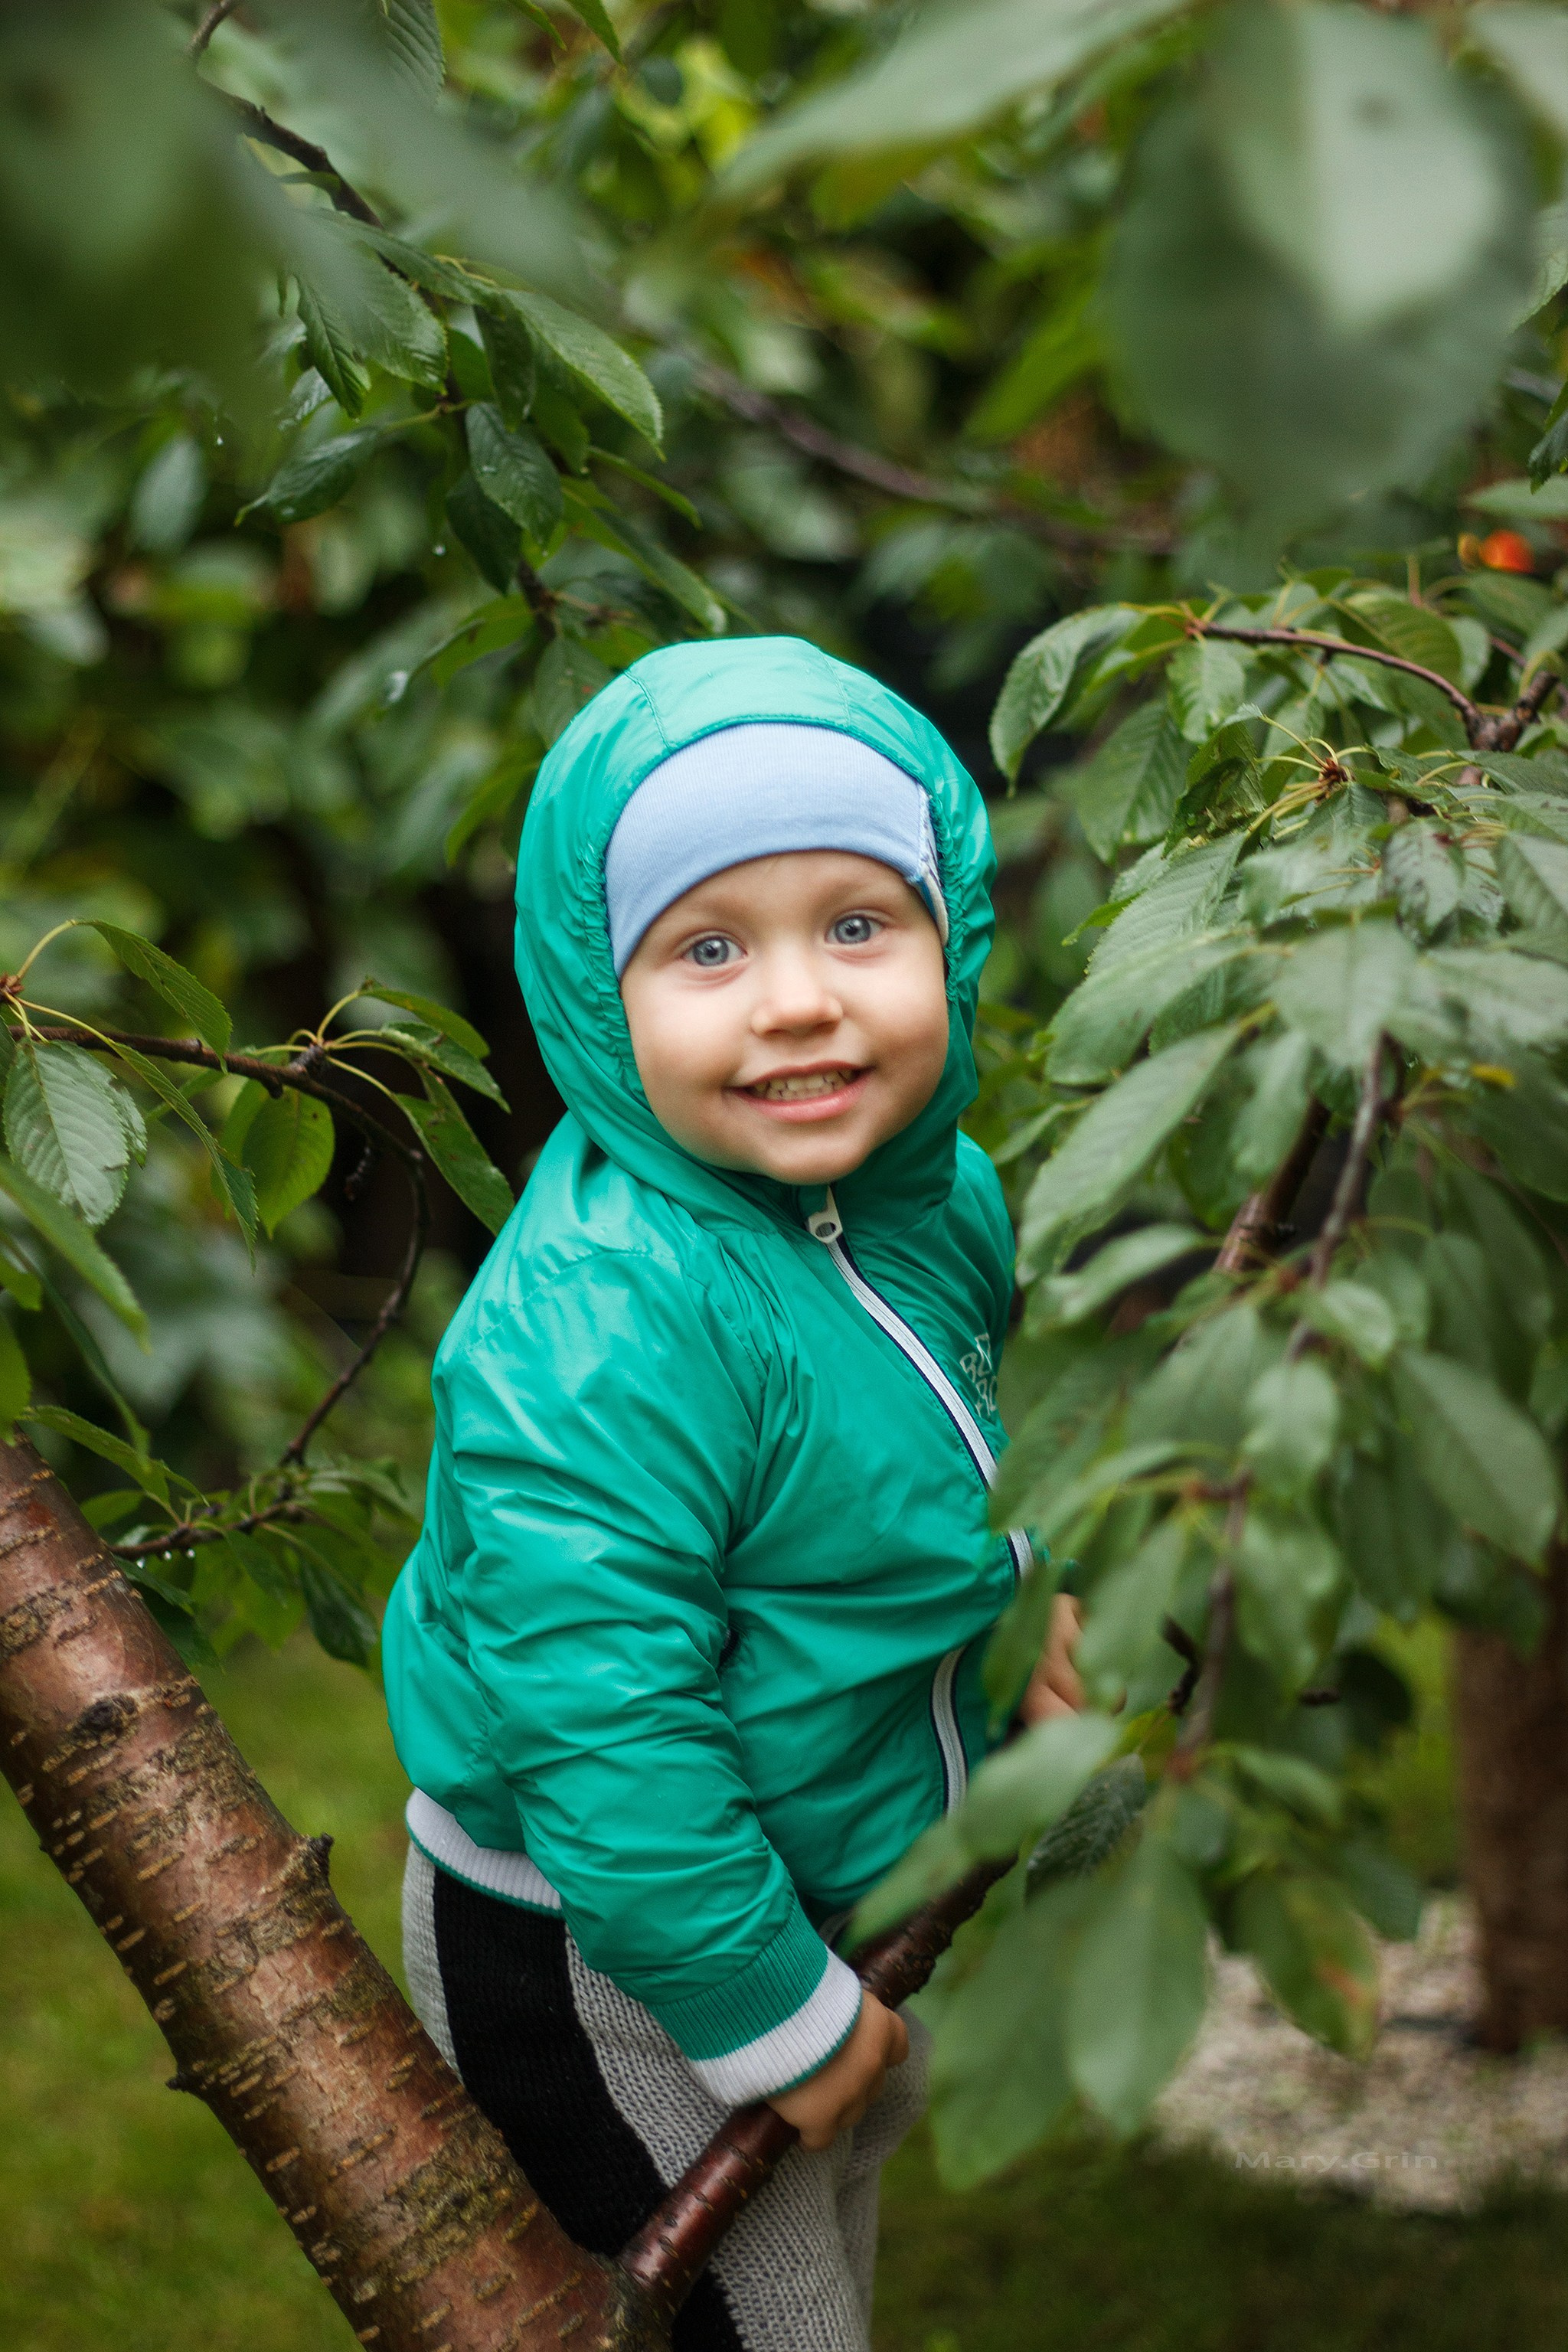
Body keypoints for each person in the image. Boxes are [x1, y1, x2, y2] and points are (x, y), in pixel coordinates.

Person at [381, 635, 1081, 2352]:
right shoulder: (605, 1317)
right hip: (609, 1953)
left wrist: (1030, 1595)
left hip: (802, 1884)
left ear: (951, 935)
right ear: (596, 1003)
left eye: (858, 923)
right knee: (745, 2325)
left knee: (819, 2266)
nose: (796, 1000)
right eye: (707, 947)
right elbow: (599, 1714)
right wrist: (760, 2006)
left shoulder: (937, 1196)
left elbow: (949, 1451)